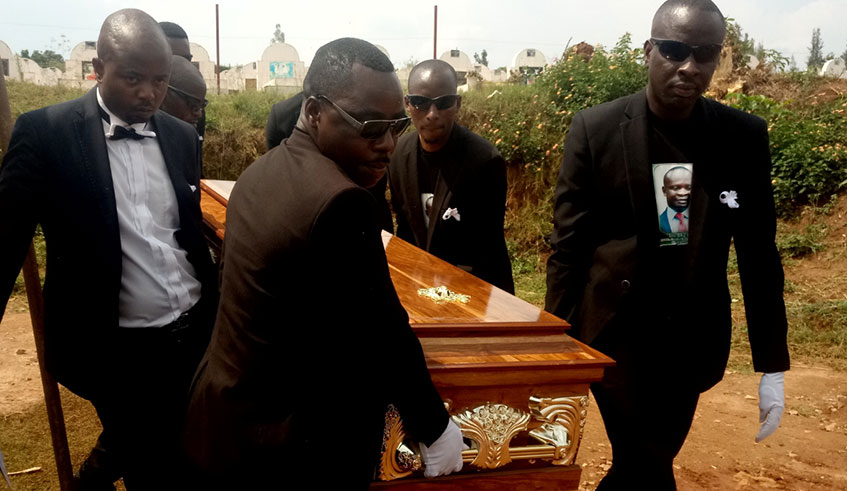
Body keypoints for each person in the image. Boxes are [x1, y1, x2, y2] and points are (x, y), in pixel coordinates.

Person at [184, 38, 463, 489]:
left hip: (223, 416)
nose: (389, 144)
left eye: (396, 126)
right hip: (286, 448)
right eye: (372, 127)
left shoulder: (259, 172)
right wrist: (434, 426)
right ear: (314, 111)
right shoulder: (342, 201)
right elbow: (383, 329)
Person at [544, 1, 789, 489]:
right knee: (646, 459)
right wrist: (558, 349)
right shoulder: (595, 129)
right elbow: (568, 245)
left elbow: (759, 253)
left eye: (705, 54)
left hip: (691, 340)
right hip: (614, 333)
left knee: (645, 461)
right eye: (675, 51)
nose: (689, 67)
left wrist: (772, 363)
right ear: (648, 50)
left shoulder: (741, 137)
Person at [0, 9, 217, 490]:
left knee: (196, 452)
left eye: (159, 81)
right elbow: (5, 241)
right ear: (98, 67)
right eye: (133, 78)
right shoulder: (46, 133)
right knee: (154, 466)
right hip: (115, 348)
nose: (148, 94)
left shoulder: (181, 136)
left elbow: (180, 233)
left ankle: (94, 476)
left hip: (194, 331)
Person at [388, 59, 514, 293]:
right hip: (415, 284)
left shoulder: (484, 161)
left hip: (470, 288)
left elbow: (489, 243)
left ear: (457, 104)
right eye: (421, 103)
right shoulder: (397, 154)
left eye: (443, 103)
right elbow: (405, 228)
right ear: (408, 103)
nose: (432, 114)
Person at [159, 21, 206, 141]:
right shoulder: (136, 113)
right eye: (172, 58)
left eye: (186, 59)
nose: (182, 64)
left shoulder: (196, 109)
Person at [160, 55, 207, 130]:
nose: (199, 114)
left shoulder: (188, 137)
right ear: (163, 94)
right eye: (193, 103)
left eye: (201, 105)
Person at [658, 165, 692, 234]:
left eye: (689, 187)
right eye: (675, 188)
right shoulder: (659, 222)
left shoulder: (701, 220)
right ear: (664, 191)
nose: (683, 193)